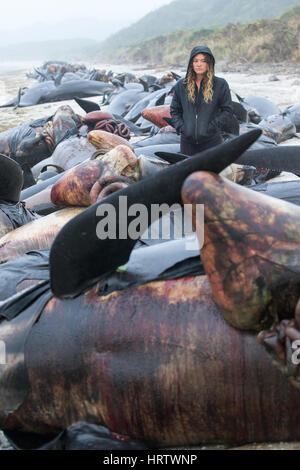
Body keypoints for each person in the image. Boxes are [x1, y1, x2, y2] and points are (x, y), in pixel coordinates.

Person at [170, 45, 237, 156]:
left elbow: (227, 110)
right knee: (190, 173)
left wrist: (212, 127)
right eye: (196, 61)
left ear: (209, 63)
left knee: (211, 173)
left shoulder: (220, 84)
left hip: (212, 142)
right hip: (187, 144)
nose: (199, 64)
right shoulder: (181, 85)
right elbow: (174, 110)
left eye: (203, 61)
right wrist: (182, 128)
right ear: (191, 63)